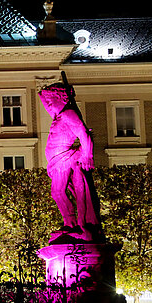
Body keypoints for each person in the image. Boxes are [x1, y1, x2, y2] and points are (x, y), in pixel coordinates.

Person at [38, 82, 103, 243]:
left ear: (61, 99)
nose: (50, 105)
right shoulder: (59, 114)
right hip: (58, 161)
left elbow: (83, 134)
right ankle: (70, 224)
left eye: (52, 101)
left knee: (57, 192)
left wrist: (88, 156)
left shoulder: (68, 114)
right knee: (58, 192)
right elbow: (46, 102)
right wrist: (44, 94)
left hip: (65, 160)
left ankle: (71, 224)